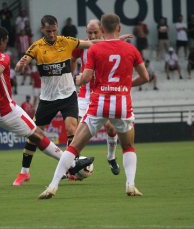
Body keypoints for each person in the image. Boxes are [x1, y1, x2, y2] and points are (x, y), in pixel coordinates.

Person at [0, 26, 92, 191]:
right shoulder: (3, 57)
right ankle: (72, 164)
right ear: (1, 42)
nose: (6, 45)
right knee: (38, 134)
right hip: (4, 110)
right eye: (5, 42)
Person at [38, 13, 149, 199]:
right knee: (128, 146)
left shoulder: (95, 50)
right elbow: (145, 78)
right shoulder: (131, 49)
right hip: (122, 103)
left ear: (102, 30)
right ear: (119, 28)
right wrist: (124, 86)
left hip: (99, 102)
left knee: (73, 146)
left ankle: (52, 186)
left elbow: (87, 78)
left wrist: (80, 78)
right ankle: (130, 185)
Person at [13, 15, 129, 186]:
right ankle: (24, 172)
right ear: (42, 29)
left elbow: (91, 43)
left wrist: (116, 40)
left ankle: (71, 169)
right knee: (35, 134)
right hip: (48, 99)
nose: (52, 34)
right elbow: (18, 68)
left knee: (71, 128)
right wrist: (20, 65)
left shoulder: (66, 41)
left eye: (54, 30)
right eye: (48, 31)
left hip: (68, 96)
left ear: (57, 28)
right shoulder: (36, 47)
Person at [71, 19, 120, 177]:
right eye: (89, 32)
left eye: (95, 32)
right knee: (76, 130)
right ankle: (71, 166)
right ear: (86, 32)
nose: (92, 35)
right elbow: (72, 59)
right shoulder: (82, 45)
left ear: (102, 31)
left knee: (111, 128)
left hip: (103, 93)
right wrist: (71, 78)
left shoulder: (108, 45)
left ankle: (111, 157)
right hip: (85, 93)